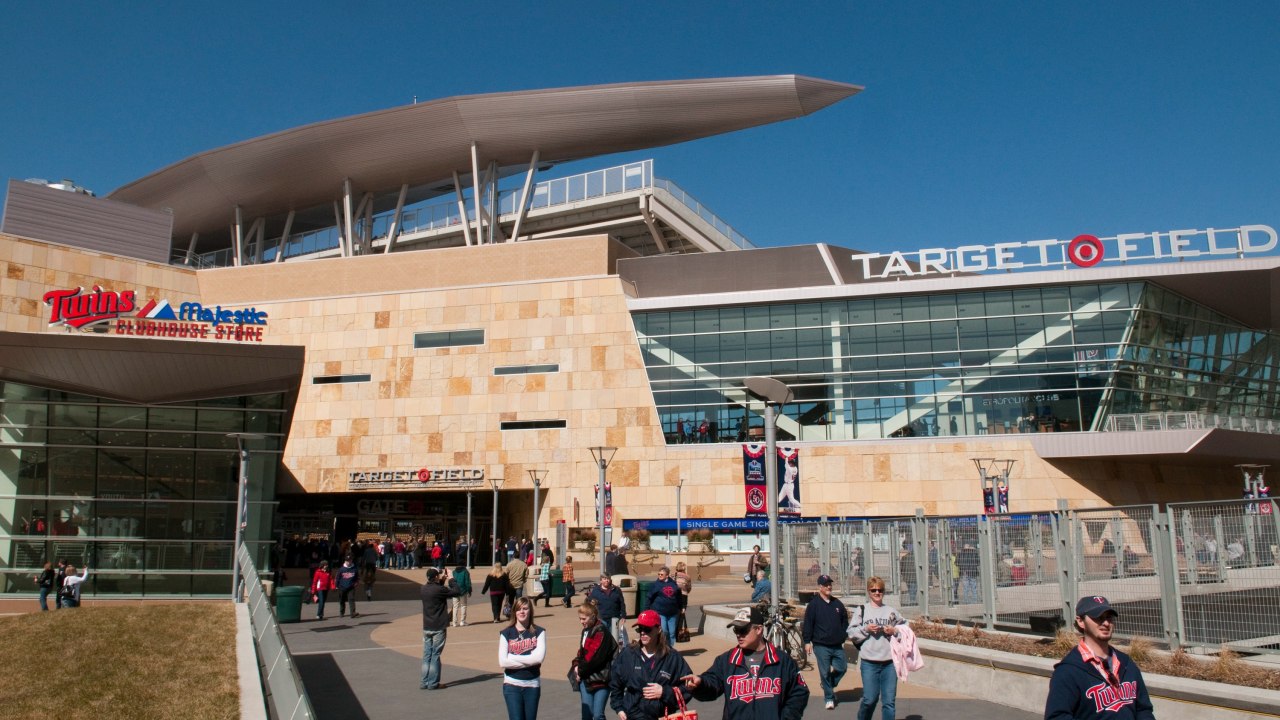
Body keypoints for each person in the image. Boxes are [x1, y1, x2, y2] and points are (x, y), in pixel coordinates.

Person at [681, 605, 810, 718]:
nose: (738, 635)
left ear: (759, 629)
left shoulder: (782, 661)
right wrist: (700, 684)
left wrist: (786, 717)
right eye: (736, 630)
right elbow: (712, 685)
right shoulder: (727, 660)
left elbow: (800, 692)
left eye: (743, 630)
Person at [1044, 595, 1155, 719]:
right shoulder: (1068, 671)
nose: (1106, 623)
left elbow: (1143, 709)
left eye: (1109, 617)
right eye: (1098, 618)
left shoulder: (1126, 663)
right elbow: (1057, 717)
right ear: (1080, 621)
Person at [609, 609, 692, 720]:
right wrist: (618, 707)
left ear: (658, 629)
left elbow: (689, 688)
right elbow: (615, 681)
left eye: (647, 629)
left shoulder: (672, 657)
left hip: (662, 716)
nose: (642, 632)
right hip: (633, 715)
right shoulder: (628, 654)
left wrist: (664, 692)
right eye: (640, 629)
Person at [849, 576, 902, 720]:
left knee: (889, 702)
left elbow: (905, 629)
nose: (877, 593)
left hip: (889, 663)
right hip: (869, 663)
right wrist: (866, 629)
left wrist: (894, 631)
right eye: (874, 590)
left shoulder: (891, 611)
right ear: (868, 591)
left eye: (880, 590)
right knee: (869, 699)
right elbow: (851, 633)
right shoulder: (862, 610)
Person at [802, 574, 850, 710]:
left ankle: (827, 684)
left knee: (842, 668)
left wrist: (844, 634)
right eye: (826, 584)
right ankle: (829, 698)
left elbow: (844, 621)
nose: (829, 587)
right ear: (820, 587)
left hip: (837, 644)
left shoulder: (837, 604)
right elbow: (808, 624)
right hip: (821, 645)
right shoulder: (813, 605)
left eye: (830, 584)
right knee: (824, 672)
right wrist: (807, 641)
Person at [499, 596, 547, 720]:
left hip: (532, 684)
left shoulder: (539, 632)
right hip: (511, 684)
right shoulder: (506, 633)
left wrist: (512, 657)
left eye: (525, 609)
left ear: (530, 611)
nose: (522, 612)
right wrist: (530, 658)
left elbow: (538, 659)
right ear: (514, 612)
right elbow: (503, 661)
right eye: (519, 609)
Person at [573, 600, 618, 720]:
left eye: (584, 619)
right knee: (587, 714)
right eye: (580, 618)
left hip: (601, 678)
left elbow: (595, 658)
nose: (581, 622)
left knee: (598, 715)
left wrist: (580, 670)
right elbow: (582, 652)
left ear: (592, 617)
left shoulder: (601, 631)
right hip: (586, 679)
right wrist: (576, 664)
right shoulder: (585, 631)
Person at [421, 566, 462, 690]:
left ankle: (424, 681)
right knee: (435, 654)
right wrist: (451, 579)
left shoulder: (423, 589)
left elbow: (438, 591)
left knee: (427, 654)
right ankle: (433, 683)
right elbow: (456, 591)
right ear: (436, 577)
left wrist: (442, 580)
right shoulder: (439, 590)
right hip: (438, 625)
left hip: (427, 625)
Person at [588, 573, 627, 646]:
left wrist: (623, 615)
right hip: (602, 618)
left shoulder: (616, 590)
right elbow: (590, 602)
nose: (606, 580)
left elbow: (622, 603)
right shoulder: (596, 590)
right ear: (601, 580)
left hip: (614, 619)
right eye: (604, 579)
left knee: (614, 638)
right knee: (602, 638)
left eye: (608, 579)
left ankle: (613, 653)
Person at [646, 567, 682, 641]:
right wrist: (646, 610)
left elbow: (679, 597)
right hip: (660, 612)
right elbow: (649, 598)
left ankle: (670, 649)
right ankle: (664, 648)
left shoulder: (673, 584)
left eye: (662, 574)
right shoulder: (655, 585)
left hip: (672, 613)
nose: (659, 575)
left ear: (667, 575)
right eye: (658, 574)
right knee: (664, 631)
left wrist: (682, 607)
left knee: (672, 633)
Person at [673, 561, 692, 641]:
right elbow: (689, 587)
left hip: (674, 596)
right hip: (683, 596)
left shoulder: (673, 575)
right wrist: (685, 591)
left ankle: (673, 632)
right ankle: (679, 632)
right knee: (681, 614)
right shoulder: (687, 577)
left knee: (675, 614)